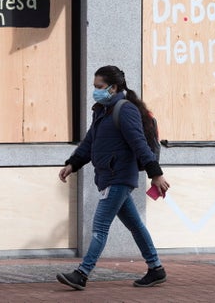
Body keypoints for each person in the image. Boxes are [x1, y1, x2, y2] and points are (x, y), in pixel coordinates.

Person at [56, 65, 170, 290]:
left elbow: (139, 144)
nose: (95, 91)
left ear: (113, 87)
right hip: (109, 176)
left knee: (100, 227)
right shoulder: (102, 110)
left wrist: (155, 174)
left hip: (119, 177)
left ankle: (82, 273)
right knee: (136, 226)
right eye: (94, 87)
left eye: (99, 87)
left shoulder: (124, 110)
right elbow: (90, 142)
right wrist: (73, 163)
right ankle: (156, 269)